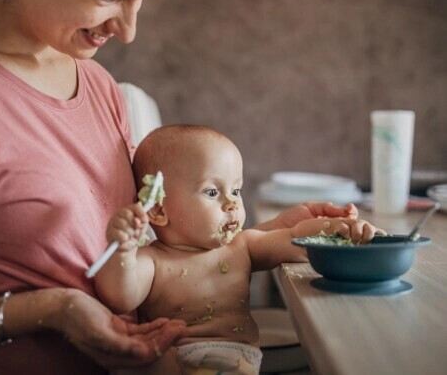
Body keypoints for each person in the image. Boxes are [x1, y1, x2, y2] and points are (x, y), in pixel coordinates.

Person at [0, 0, 370, 373]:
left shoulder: (99, 86)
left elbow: (154, 254)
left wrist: (268, 233)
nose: (128, 30)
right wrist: (50, 310)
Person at [95, 124, 385, 374]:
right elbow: (120, 296)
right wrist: (122, 250)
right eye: (212, 192)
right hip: (176, 360)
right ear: (158, 209)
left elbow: (295, 238)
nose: (232, 203)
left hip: (235, 363)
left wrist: (341, 231)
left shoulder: (241, 246)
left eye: (236, 190)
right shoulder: (152, 260)